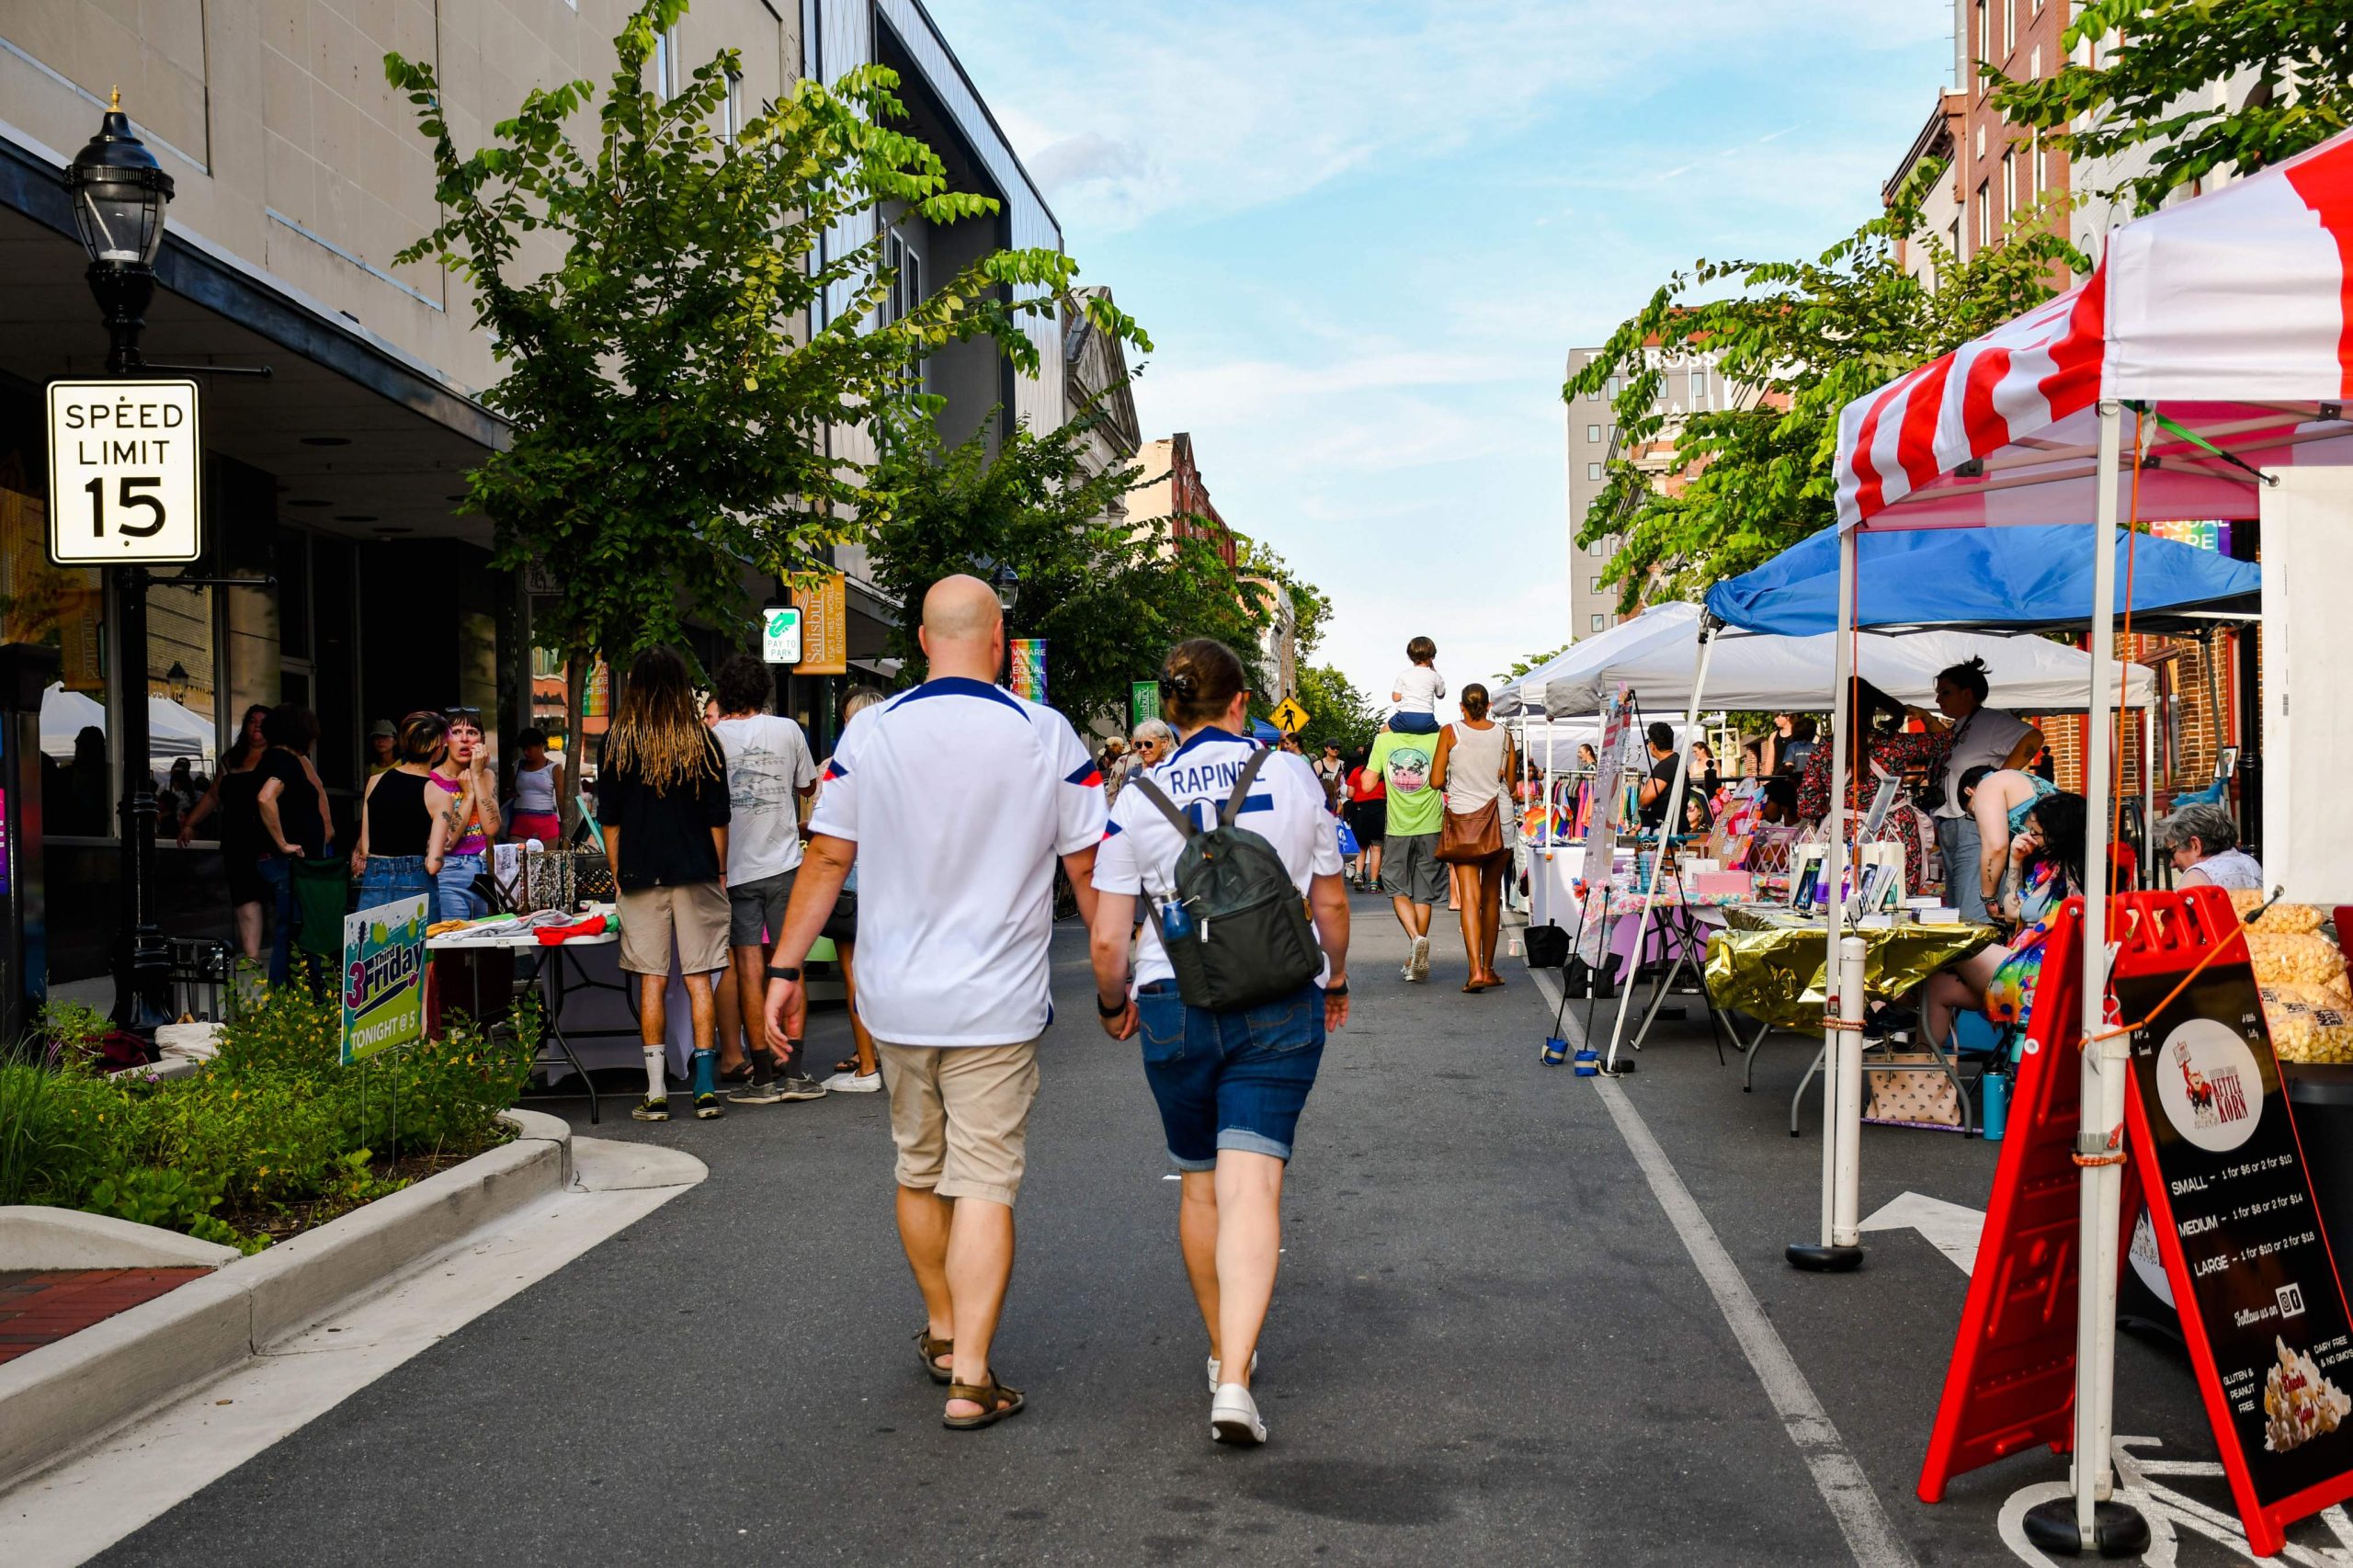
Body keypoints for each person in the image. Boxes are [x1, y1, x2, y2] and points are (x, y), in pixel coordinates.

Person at [760, 575, 1106, 1431]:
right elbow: (1088, 869)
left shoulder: (869, 733)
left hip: (897, 1000)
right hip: (997, 1001)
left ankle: (946, 1331)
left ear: (921, 638)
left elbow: (827, 859)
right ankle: (973, 1378)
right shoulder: (1046, 734)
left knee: (919, 1167)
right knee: (985, 1181)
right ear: (999, 640)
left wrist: (783, 970)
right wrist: (1114, 976)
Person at [1087, 636, 1350, 1448]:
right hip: (1276, 996)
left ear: (1170, 710)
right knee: (1253, 1192)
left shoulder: (1136, 794)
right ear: (1242, 703)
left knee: (1200, 1185)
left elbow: (1107, 938)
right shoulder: (1292, 772)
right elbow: (1332, 902)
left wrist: (1112, 1003)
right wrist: (1334, 978)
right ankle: (1235, 1378)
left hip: (1173, 1000)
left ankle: (1217, 1349)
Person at [598, 647, 733, 1123]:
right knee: (699, 979)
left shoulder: (617, 742)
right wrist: (719, 869)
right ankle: (704, 1087)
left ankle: (655, 1091)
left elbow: (609, 820)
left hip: (639, 874)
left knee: (651, 981)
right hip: (695, 870)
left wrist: (618, 869)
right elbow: (719, 818)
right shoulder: (702, 742)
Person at [706, 653, 822, 1106]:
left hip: (733, 871)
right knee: (790, 964)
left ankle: (761, 1076)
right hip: (785, 864)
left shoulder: (711, 738)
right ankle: (793, 1071)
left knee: (749, 969)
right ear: (763, 692)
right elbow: (808, 787)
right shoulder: (788, 730)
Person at [1921, 792, 2087, 1049]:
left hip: (2039, 974)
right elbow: (2011, 913)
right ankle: (1924, 1079)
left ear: (2058, 832)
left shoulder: (2079, 875)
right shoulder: (2047, 869)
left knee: (1950, 945)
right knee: (1937, 985)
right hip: (2023, 961)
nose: (2029, 838)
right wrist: (2015, 861)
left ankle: (1897, 1002)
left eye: (2036, 833)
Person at [1920, 655, 2044, 923]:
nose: (1939, 699)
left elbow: (2033, 737)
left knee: (1971, 913)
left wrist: (1996, 782)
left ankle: (1985, 961)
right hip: (1952, 823)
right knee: (1957, 910)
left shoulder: (1989, 721)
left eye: (1945, 692)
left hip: (1974, 826)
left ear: (1968, 693)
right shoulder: (1961, 727)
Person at [1796, 677, 1944, 899]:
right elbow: (1945, 741)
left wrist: (1832, 805)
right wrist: (1926, 716)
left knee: (1842, 901)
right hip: (1895, 831)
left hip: (1844, 833)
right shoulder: (1895, 743)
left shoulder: (1826, 748)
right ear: (1873, 709)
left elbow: (1808, 805)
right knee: (1895, 901)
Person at [816, 685, 889, 1093]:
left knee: (854, 976)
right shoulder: (904, 764)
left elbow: (826, 835)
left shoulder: (835, 767)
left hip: (852, 884)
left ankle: (867, 1067)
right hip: (895, 883)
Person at [1430, 684, 1517, 992]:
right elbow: (1513, 785)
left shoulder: (1450, 732)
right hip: (1500, 820)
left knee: (1470, 897)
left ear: (1461, 706)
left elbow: (1436, 780)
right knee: (1492, 896)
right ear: (1490, 705)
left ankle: (1475, 971)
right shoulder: (1505, 734)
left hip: (1465, 821)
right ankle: (1490, 968)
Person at [180, 703, 273, 967]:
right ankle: (252, 956)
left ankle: (289, 957)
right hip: (237, 838)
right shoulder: (231, 759)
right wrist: (190, 822)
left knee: (278, 895)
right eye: (252, 720)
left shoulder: (278, 758)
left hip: (271, 838)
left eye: (263, 722)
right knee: (244, 896)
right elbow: (213, 795)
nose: (257, 726)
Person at [254, 705, 334, 986]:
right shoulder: (283, 761)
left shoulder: (281, 759)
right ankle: (286, 997)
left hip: (292, 862)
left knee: (298, 928)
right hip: (287, 862)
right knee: (292, 930)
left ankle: (307, 992)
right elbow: (266, 798)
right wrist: (283, 843)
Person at [351, 711, 454, 910]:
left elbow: (366, 848)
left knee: (373, 940)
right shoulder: (440, 796)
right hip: (415, 883)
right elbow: (433, 864)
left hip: (375, 881)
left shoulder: (375, 781)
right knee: (417, 942)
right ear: (438, 750)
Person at [1367, 719, 1445, 981]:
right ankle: (1414, 959)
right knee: (1424, 892)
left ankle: (1416, 939)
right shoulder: (1437, 738)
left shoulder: (1385, 741)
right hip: (1432, 825)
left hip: (1399, 828)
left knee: (1396, 886)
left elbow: (1366, 785)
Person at [1957, 763, 2057, 914]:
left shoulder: (1987, 786)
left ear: (1969, 792)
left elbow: (1996, 847)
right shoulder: (2023, 779)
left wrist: (1989, 898)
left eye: (1973, 811)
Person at [431, 709, 498, 923]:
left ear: (482, 740)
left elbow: (492, 828)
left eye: (472, 732)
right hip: (449, 872)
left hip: (486, 870)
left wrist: (477, 776)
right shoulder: (432, 780)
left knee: (489, 948)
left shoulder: (486, 775)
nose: (465, 739)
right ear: (444, 740)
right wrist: (468, 796)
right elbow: (446, 841)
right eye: (456, 732)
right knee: (453, 948)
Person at [2159, 801, 2263, 891]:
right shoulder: (2250, 863)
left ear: (2195, 845)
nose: (2171, 864)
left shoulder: (2200, 875)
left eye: (2171, 853)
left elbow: (2170, 914)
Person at [506, 728, 565, 848]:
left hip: (546, 825)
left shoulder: (554, 768)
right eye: (524, 749)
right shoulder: (517, 765)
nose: (526, 752)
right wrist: (510, 794)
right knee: (518, 864)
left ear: (541, 745)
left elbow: (561, 799)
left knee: (548, 864)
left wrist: (564, 824)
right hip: (520, 823)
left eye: (529, 748)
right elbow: (508, 790)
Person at [1345, 749, 1386, 892]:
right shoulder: (1382, 773)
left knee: (1361, 846)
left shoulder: (1357, 771)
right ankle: (1374, 883)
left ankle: (1358, 875)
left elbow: (1350, 794)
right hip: (1378, 810)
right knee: (1376, 848)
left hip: (1360, 811)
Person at [1388, 635, 1446, 735]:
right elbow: (1441, 695)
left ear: (1411, 656)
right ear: (1432, 656)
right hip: (1427, 720)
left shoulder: (1404, 675)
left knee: (1383, 732)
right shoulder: (1436, 676)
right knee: (1444, 733)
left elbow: (1396, 698)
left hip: (1404, 718)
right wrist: (1434, 672)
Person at [1635, 722, 1680, 829]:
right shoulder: (1676, 760)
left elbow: (1646, 800)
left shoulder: (1666, 766)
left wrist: (1642, 796)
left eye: (1648, 742)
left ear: (1653, 745)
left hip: (1663, 829)